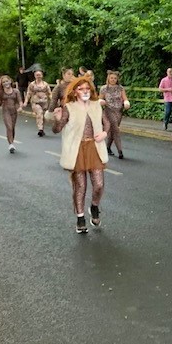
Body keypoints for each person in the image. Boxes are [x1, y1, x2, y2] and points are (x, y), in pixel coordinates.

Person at [52, 76, 110, 234]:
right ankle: (80, 218)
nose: (84, 91)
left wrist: (104, 133)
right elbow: (57, 130)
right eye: (81, 89)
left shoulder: (97, 105)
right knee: (81, 186)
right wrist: (57, 120)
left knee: (99, 184)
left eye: (87, 89)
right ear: (75, 92)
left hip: (95, 147)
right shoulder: (69, 107)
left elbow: (107, 122)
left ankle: (94, 206)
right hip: (77, 150)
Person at [100, 70, 130, 159]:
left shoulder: (120, 88)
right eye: (111, 78)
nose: (113, 80)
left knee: (113, 131)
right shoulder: (104, 88)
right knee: (116, 130)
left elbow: (125, 98)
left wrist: (126, 102)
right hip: (108, 111)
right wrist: (101, 101)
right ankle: (120, 151)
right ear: (108, 78)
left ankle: (107, 148)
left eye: (115, 78)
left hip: (118, 111)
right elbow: (99, 99)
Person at [0, 75, 23, 153]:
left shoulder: (16, 91)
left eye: (7, 81)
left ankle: (12, 142)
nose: (5, 83)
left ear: (10, 81)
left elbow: (20, 101)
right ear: (2, 84)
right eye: (3, 82)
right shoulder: (0, 92)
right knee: (9, 127)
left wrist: (20, 107)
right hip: (6, 111)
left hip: (14, 111)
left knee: (13, 127)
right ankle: (10, 144)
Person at [23, 69, 52, 136]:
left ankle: (42, 129)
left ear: (42, 76)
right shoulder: (32, 84)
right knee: (39, 113)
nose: (38, 76)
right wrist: (26, 101)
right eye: (37, 75)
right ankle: (40, 129)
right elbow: (28, 93)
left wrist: (52, 100)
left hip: (44, 102)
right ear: (35, 76)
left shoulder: (45, 84)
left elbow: (49, 93)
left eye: (39, 75)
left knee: (43, 116)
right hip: (35, 102)